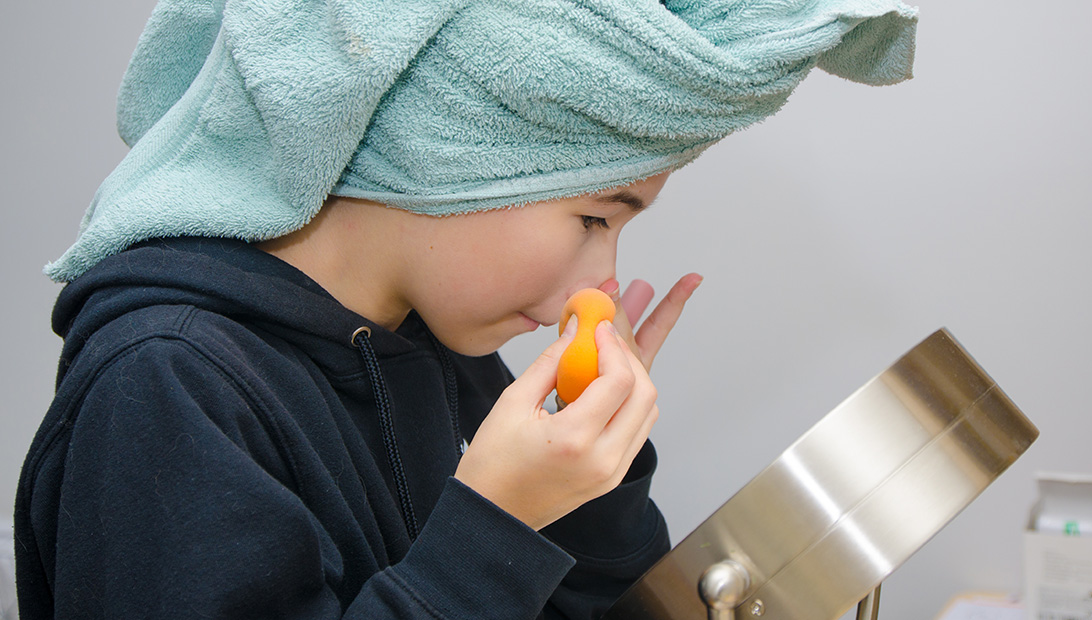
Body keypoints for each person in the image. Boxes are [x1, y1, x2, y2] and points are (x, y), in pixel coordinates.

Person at [15, 0, 918, 618]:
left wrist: (586, 479)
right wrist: (495, 523)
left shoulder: (433, 353)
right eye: (594, 216)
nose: (597, 285)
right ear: (455, 155)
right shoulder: (166, 386)